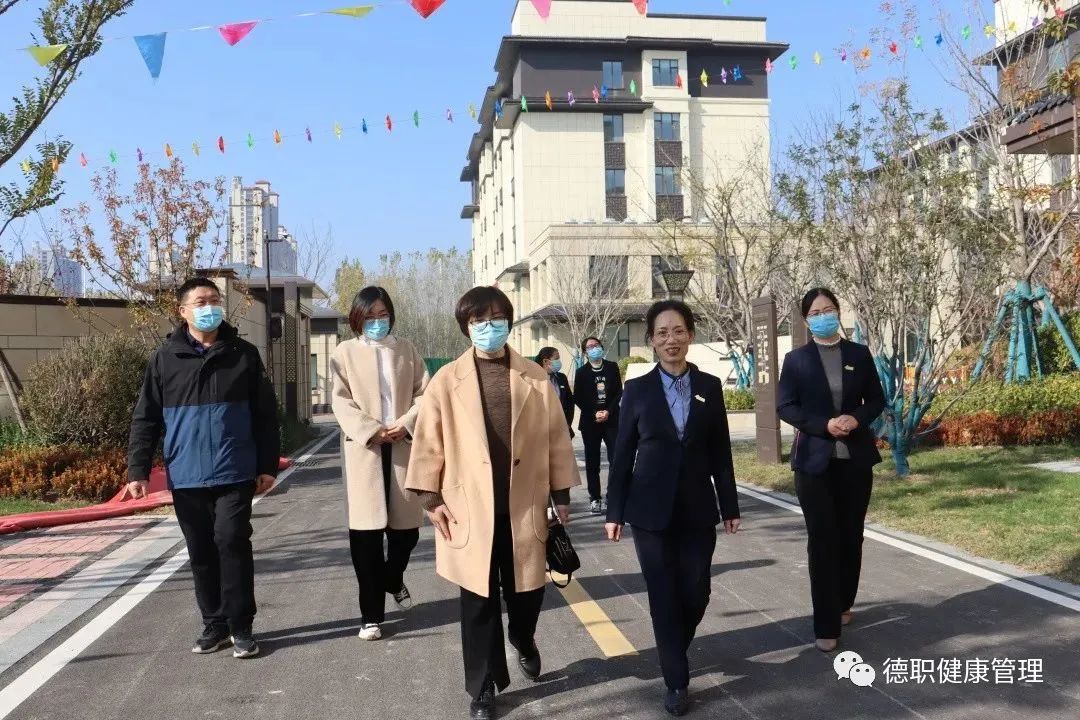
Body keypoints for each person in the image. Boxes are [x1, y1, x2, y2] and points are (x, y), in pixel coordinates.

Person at [405, 286, 580, 720]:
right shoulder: (447, 380)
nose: (488, 327)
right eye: (478, 321)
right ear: (466, 328)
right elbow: (428, 441)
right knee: (477, 601)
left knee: (527, 593)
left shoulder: (534, 377)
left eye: (496, 318)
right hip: (468, 510)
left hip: (525, 505)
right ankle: (483, 687)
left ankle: (523, 637)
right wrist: (430, 498)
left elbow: (557, 437)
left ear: (509, 321)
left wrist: (561, 494)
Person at [127, 276, 280, 659]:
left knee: (231, 540)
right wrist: (137, 470)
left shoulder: (243, 354)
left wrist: (267, 465)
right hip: (187, 473)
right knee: (200, 551)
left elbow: (265, 415)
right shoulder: (165, 359)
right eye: (200, 302)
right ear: (183, 311)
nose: (209, 307)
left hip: (235, 471)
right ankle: (215, 624)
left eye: (214, 300)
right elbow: (146, 417)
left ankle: (241, 626)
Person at [604, 300, 741, 717]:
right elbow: (622, 454)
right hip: (649, 511)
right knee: (663, 594)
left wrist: (730, 504)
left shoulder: (709, 387)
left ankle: (673, 648)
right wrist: (614, 512)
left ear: (690, 336)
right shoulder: (637, 390)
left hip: (698, 508)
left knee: (697, 590)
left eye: (678, 331)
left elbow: (720, 452)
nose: (671, 340)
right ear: (651, 340)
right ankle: (676, 682)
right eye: (662, 333)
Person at [776, 287, 886, 654]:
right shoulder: (796, 360)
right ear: (806, 320)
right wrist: (824, 425)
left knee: (851, 536)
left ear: (838, 312)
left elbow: (876, 399)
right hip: (814, 463)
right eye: (815, 312)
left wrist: (855, 419)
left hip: (855, 461)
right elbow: (786, 406)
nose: (823, 316)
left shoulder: (858, 354)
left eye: (829, 309)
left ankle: (843, 602)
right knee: (822, 540)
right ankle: (825, 624)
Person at [330, 286, 429, 641]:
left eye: (382, 314)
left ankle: (393, 577)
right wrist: (372, 430)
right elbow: (341, 401)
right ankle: (370, 616)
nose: (377, 321)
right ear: (357, 318)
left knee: (407, 532)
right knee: (366, 539)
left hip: (403, 445)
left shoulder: (406, 349)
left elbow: (425, 393)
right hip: (365, 449)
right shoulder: (345, 352)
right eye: (369, 316)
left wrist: (406, 423)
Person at [574, 336, 622, 514]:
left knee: (615, 459)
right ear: (585, 352)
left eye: (597, 345)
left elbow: (618, 392)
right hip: (590, 422)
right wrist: (594, 412)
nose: (594, 348)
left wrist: (608, 411)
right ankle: (595, 498)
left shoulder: (612, 367)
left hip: (612, 420)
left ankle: (612, 495)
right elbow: (578, 397)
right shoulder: (582, 372)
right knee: (592, 462)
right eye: (590, 347)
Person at [536, 346, 574, 437]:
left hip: (561, 427)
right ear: (545, 361)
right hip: (541, 429)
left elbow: (569, 402)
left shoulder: (561, 377)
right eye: (556, 358)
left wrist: (568, 423)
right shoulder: (534, 378)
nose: (559, 361)